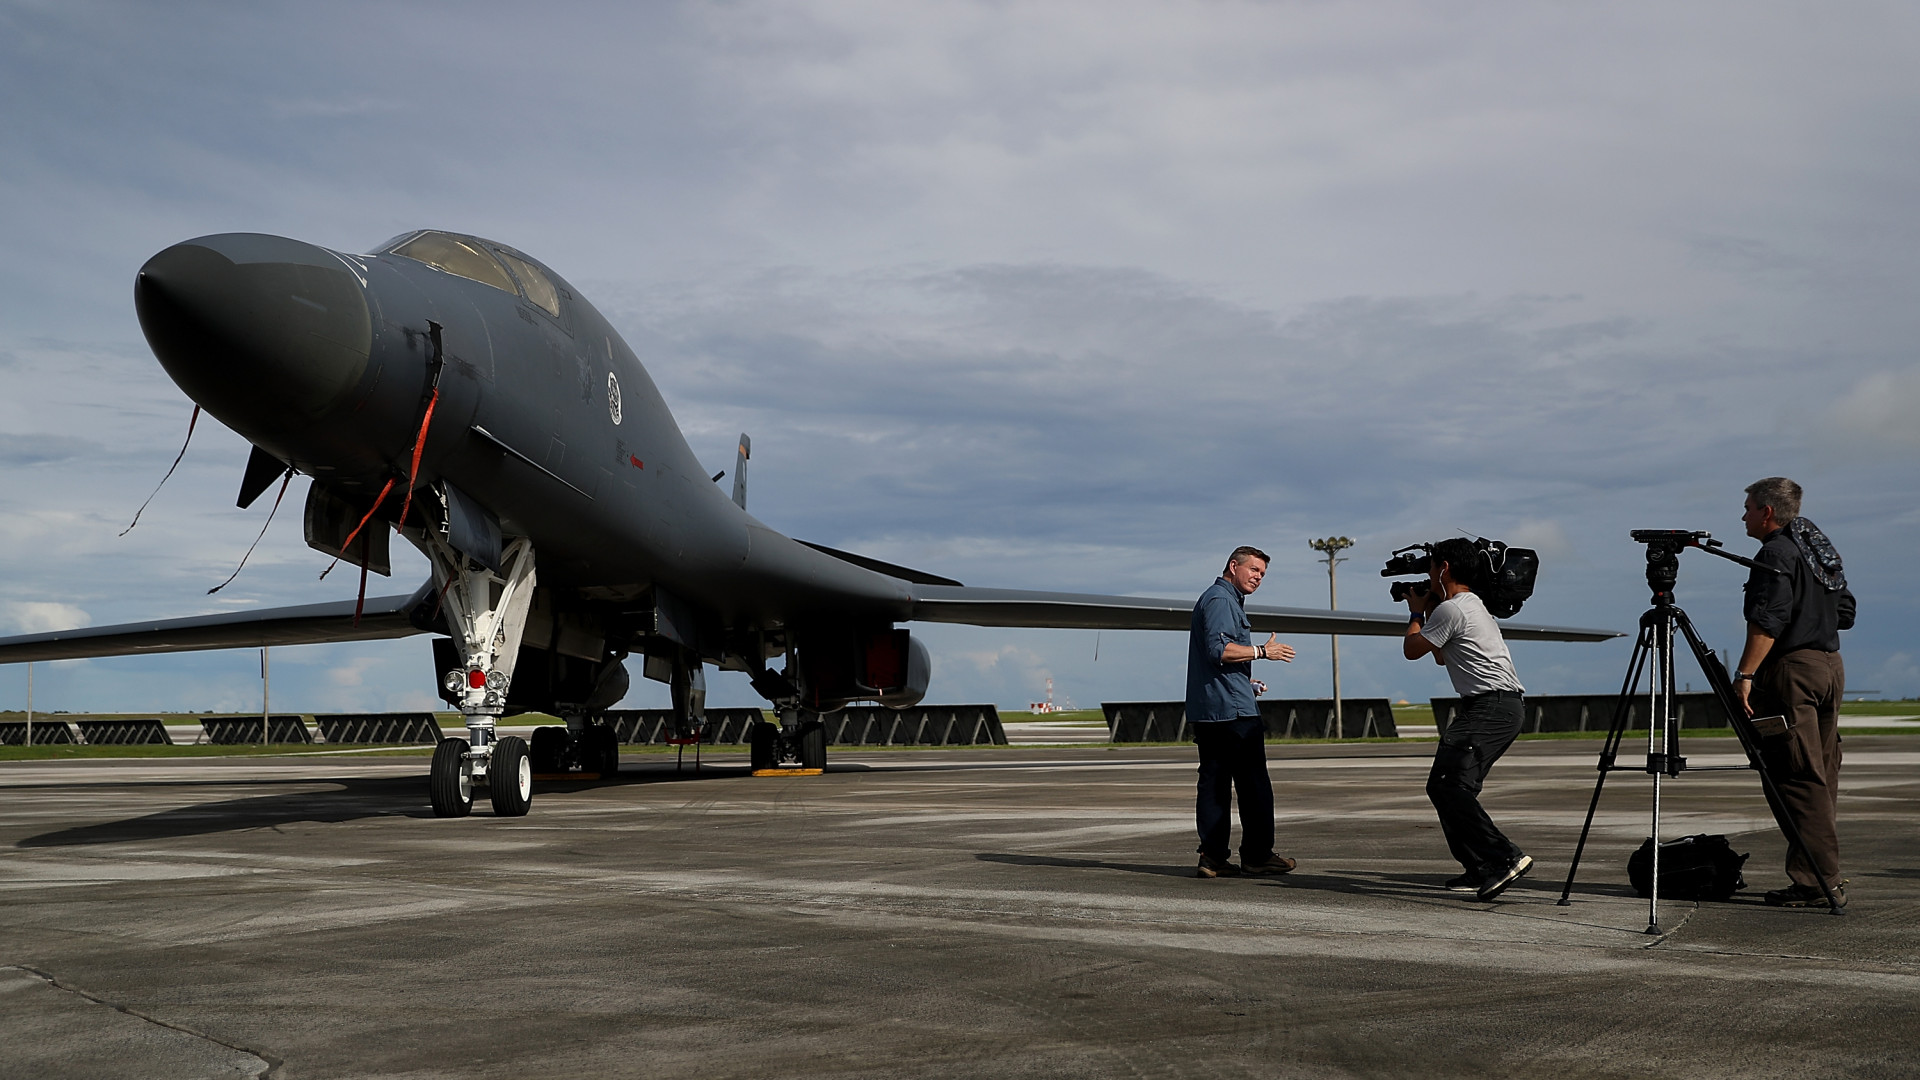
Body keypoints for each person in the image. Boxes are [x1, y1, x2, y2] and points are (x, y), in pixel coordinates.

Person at [1733, 477, 1855, 909]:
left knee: (1796, 777)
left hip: (1792, 671)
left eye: (1747, 507)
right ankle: (1812, 878)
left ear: (1767, 511)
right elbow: (1846, 611)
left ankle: (1822, 883)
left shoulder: (1775, 552)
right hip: (1829, 667)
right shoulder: (1817, 548)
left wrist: (1746, 673)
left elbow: (1769, 619)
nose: (1742, 515)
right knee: (1821, 775)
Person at [1402, 538, 1532, 901]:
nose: (1428, 575)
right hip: (1496, 708)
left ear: (1444, 568)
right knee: (1448, 786)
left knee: (1448, 786)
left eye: (1431, 568)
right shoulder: (1467, 607)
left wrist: (1415, 612)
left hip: (1491, 707)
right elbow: (1442, 657)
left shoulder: (1455, 608)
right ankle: (1478, 866)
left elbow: (1412, 650)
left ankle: (1504, 858)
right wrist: (1429, 611)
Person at [1186, 546, 1297, 878]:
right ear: (1233, 566)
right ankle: (1258, 855)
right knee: (1254, 786)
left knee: (1215, 785)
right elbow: (1219, 650)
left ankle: (1213, 857)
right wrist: (1263, 651)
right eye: (1254, 570)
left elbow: (1216, 658)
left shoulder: (1215, 598)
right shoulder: (1221, 600)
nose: (1258, 577)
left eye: (1262, 574)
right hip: (1233, 714)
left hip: (1211, 708)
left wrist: (1244, 680)